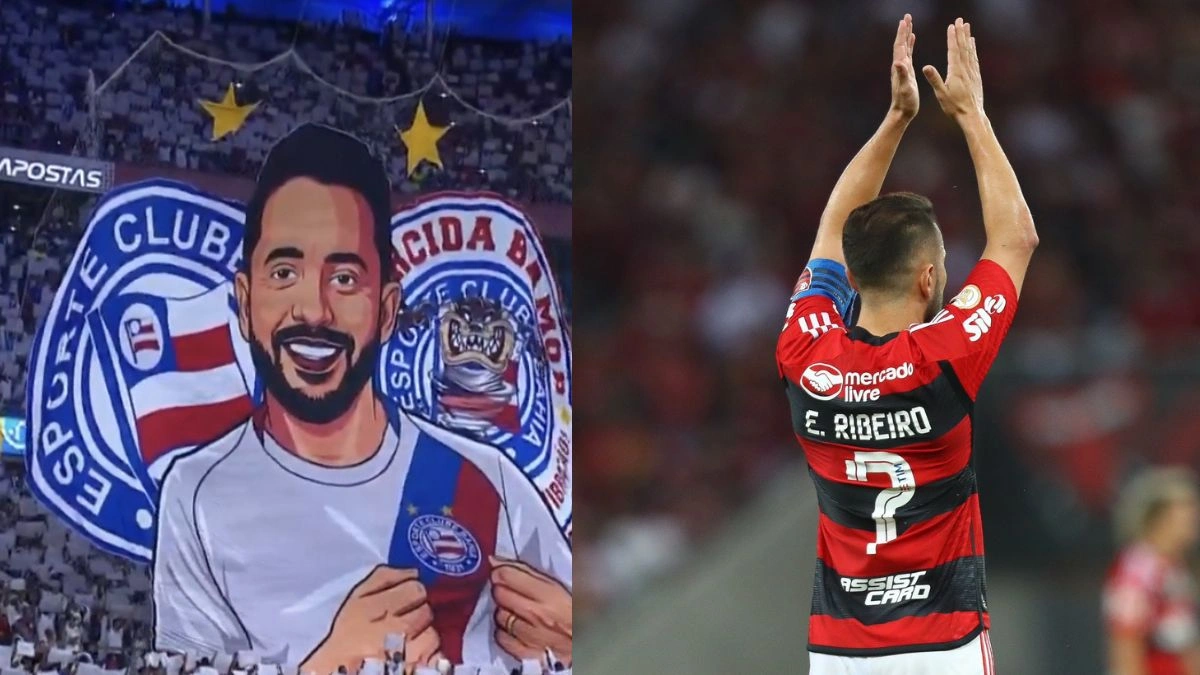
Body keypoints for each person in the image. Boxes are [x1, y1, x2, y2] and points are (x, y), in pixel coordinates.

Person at [151, 124, 572, 672]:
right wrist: (331, 665)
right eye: (285, 272)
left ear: (388, 307)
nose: (315, 310)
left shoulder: (489, 481)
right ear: (245, 299)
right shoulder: (196, 495)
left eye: (345, 278)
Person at [775, 15, 1038, 674]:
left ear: (853, 276)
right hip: (943, 642)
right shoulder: (944, 356)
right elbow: (1016, 239)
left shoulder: (807, 356)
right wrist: (971, 114)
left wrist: (896, 119)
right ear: (928, 277)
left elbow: (833, 228)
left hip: (839, 648)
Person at [1104, 467, 1200, 675]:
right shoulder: (1137, 569)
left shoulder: (1175, 568)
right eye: (1188, 513)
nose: (1195, 521)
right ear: (1161, 517)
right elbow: (1125, 644)